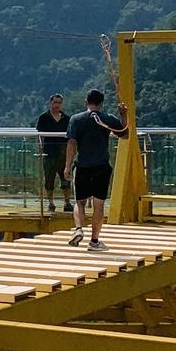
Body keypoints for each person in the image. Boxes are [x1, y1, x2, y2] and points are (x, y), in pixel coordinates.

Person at [65, 88, 127, 250]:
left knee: (80, 202)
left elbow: (71, 144)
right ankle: (94, 241)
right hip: (101, 166)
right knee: (98, 205)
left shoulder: (76, 119)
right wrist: (123, 114)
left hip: (82, 166)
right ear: (101, 103)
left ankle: (78, 229)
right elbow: (124, 134)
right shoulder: (107, 118)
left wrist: (67, 166)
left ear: (86, 102)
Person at [34, 94, 72, 213]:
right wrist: (40, 150)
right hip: (49, 153)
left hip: (64, 153)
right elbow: (40, 135)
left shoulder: (67, 119)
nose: (57, 105)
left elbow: (71, 137)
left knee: (66, 179)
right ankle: (50, 203)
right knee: (49, 179)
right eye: (55, 102)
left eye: (59, 103)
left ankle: (67, 202)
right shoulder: (44, 117)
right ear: (50, 103)